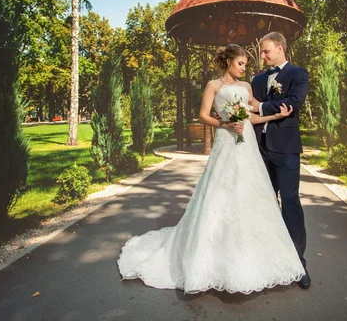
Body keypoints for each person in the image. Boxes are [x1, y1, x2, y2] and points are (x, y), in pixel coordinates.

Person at [117, 44, 305, 294]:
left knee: (251, 195)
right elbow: (203, 115)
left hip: (247, 145)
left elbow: (250, 117)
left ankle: (255, 253)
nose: (245, 68)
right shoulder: (213, 86)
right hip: (226, 143)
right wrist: (225, 124)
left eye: (246, 65)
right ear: (228, 62)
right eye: (241, 63)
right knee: (220, 193)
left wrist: (274, 117)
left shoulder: (247, 87)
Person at [249, 31, 311, 289]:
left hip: (285, 149)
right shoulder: (258, 78)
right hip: (258, 149)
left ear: (280, 48)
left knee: (290, 201)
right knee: (263, 203)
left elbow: (294, 103)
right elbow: (248, 105)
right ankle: (266, 258)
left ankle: (298, 264)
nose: (261, 56)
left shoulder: (298, 74)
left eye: (265, 51)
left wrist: (262, 107)